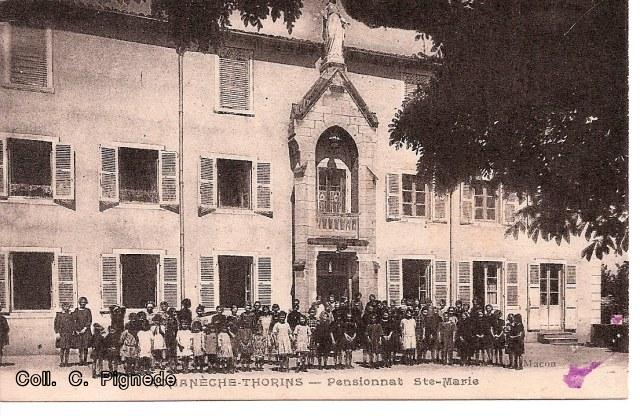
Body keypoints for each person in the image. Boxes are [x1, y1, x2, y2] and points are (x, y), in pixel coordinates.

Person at [72, 296, 92, 366]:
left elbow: (89, 320)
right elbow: (73, 321)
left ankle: (85, 360)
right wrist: (76, 330)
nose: (83, 304)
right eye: (82, 302)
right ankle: (80, 360)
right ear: (79, 303)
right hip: (78, 331)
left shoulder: (88, 311)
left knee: (85, 346)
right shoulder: (76, 310)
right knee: (80, 346)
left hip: (86, 331)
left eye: (84, 302)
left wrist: (85, 328)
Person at [54, 302, 74, 367]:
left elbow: (73, 323)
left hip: (68, 333)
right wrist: (57, 333)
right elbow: (56, 324)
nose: (66, 308)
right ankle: (62, 362)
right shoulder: (59, 315)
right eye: (65, 306)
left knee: (67, 348)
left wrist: (73, 331)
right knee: (62, 348)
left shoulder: (70, 315)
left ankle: (66, 362)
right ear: (62, 307)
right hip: (61, 334)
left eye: (68, 307)